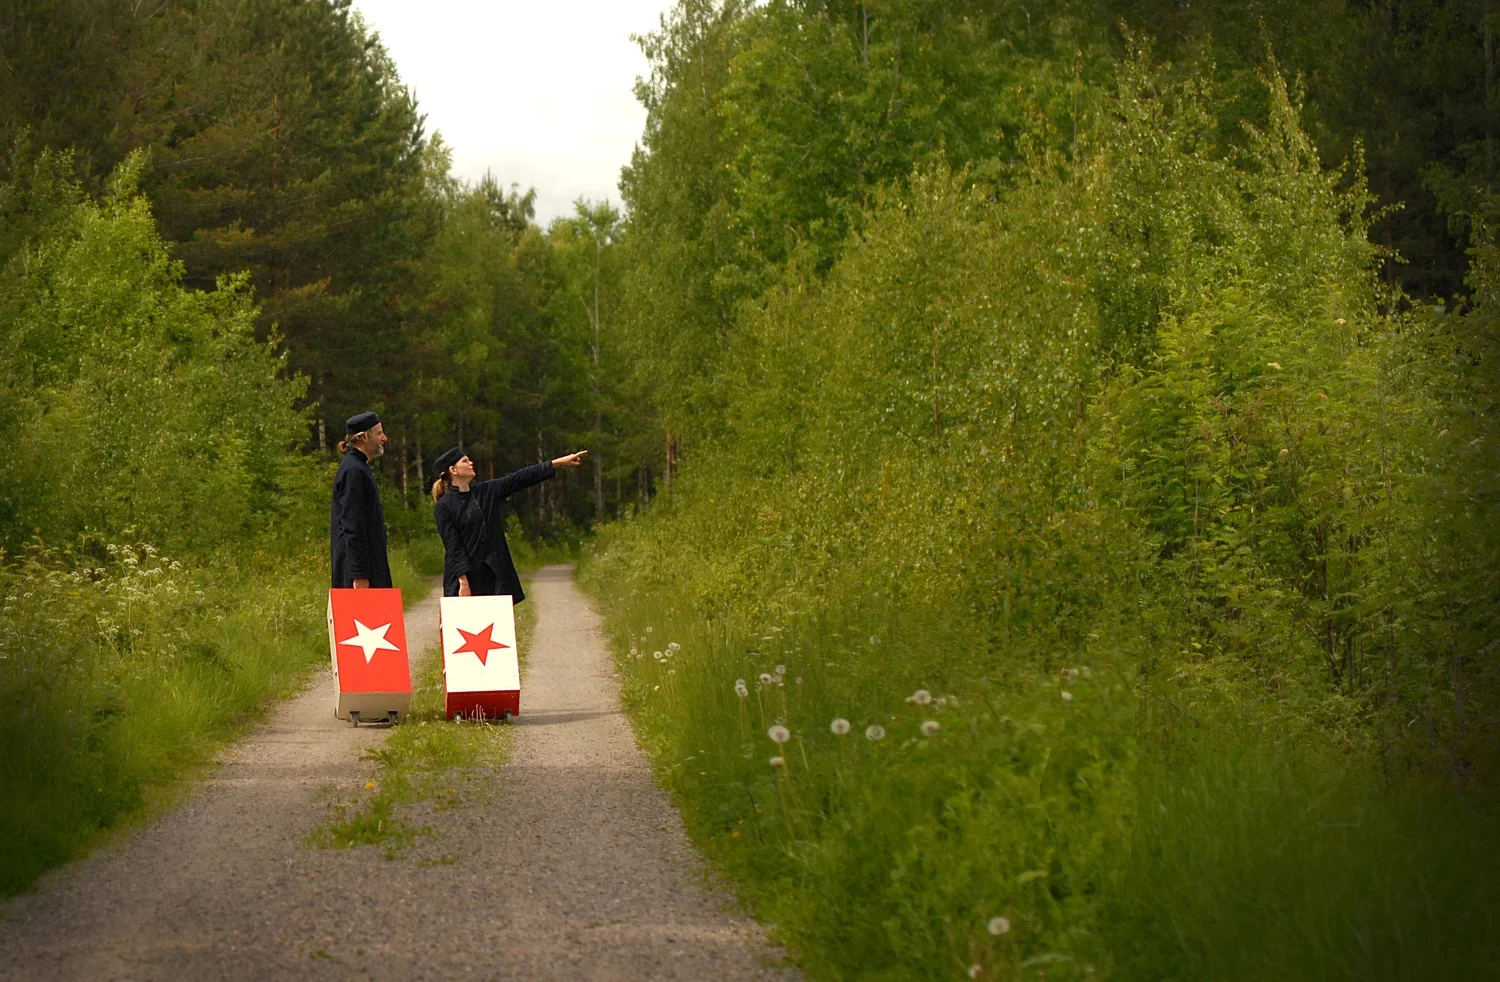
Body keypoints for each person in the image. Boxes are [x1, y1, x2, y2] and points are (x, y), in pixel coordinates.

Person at [432, 446, 585, 601]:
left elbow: (520, 478)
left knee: (497, 625)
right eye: (465, 461)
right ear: (453, 470)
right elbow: (453, 547)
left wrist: (559, 462)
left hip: (492, 576)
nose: (471, 463)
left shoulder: (487, 492)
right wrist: (463, 582)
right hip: (463, 579)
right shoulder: (444, 506)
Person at [330, 411, 393, 590]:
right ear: (364, 437)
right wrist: (359, 575)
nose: (384, 438)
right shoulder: (353, 471)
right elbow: (353, 525)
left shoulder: (359, 468)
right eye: (379, 433)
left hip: (367, 567)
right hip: (359, 574)